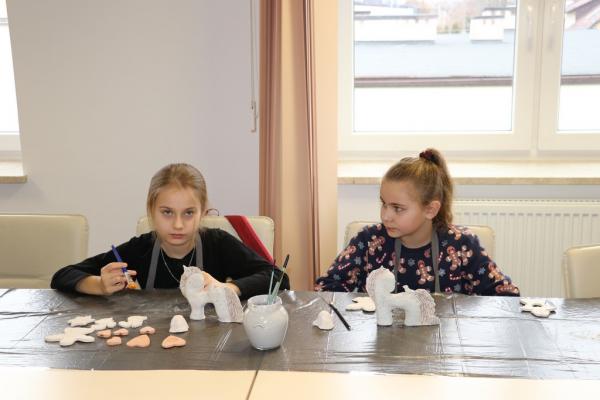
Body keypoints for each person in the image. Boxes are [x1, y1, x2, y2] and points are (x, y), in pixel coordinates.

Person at [51, 163, 288, 299]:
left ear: (203, 213)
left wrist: (227, 288)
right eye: (167, 212)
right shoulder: (139, 249)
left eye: (188, 213)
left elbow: (279, 277)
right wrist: (99, 285)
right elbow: (63, 275)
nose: (178, 224)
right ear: (151, 212)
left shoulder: (219, 244)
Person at [315, 148, 519, 296]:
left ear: (430, 209)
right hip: (381, 343)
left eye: (398, 208)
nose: (386, 216)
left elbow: (506, 295)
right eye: (384, 204)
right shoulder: (368, 241)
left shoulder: (462, 245)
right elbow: (326, 289)